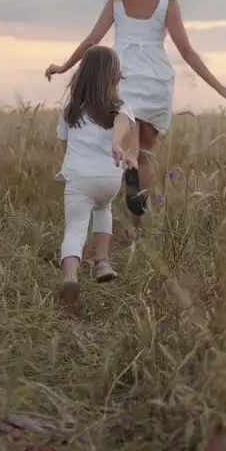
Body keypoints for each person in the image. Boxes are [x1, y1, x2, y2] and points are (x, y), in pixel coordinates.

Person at [44, 0, 226, 231]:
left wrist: (65, 67)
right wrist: (220, 89)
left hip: (123, 80)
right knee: (145, 156)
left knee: (122, 147)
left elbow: (93, 39)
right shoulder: (168, 4)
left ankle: (111, 194)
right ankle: (136, 228)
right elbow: (186, 51)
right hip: (155, 82)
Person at [53, 44, 139, 315]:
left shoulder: (70, 110)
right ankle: (102, 262)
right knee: (103, 210)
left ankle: (70, 277)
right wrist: (116, 143)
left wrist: (76, 166)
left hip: (79, 177)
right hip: (109, 177)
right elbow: (123, 123)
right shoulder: (119, 107)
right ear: (114, 76)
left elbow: (64, 146)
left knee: (75, 227)